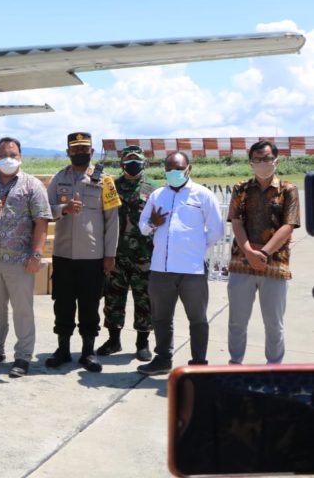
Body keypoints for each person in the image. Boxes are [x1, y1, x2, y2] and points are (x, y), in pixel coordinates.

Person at [0, 137, 51, 378]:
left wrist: (36, 254)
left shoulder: (32, 185)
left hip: (21, 260)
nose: (9, 158)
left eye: (13, 154)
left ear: (21, 157)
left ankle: (23, 356)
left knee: (22, 310)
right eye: (4, 154)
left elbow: (42, 222)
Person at [137, 151, 224, 375]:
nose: (173, 173)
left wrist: (194, 248)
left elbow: (216, 230)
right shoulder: (157, 195)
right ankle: (163, 359)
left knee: (197, 318)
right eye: (169, 169)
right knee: (161, 317)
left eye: (178, 169)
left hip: (192, 270)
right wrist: (153, 224)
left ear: (189, 169)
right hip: (161, 269)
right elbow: (143, 226)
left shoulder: (203, 195)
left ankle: (198, 363)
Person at [46, 132, 119, 373]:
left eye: (84, 148)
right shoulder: (59, 178)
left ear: (92, 151)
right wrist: (63, 208)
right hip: (64, 255)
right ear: (68, 152)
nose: (80, 152)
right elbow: (46, 211)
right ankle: (63, 349)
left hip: (93, 256)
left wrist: (110, 255)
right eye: (75, 149)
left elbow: (112, 221)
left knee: (90, 305)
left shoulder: (105, 181)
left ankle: (89, 352)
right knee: (63, 304)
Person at [226, 140, 300, 365]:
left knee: (274, 323)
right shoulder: (241, 188)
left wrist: (264, 253)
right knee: (237, 321)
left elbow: (288, 226)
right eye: (257, 160)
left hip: (275, 264)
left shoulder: (288, 190)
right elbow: (236, 222)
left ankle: (274, 367)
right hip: (242, 262)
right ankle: (235, 363)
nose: (262, 163)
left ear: (276, 161)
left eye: (266, 159)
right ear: (251, 163)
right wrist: (248, 252)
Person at [97, 145, 159, 362]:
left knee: (144, 300)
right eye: (129, 160)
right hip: (117, 254)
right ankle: (114, 340)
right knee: (114, 298)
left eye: (137, 160)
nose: (133, 164)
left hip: (145, 255)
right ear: (122, 163)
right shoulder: (111, 187)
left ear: (144, 163)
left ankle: (142, 343)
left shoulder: (154, 189)